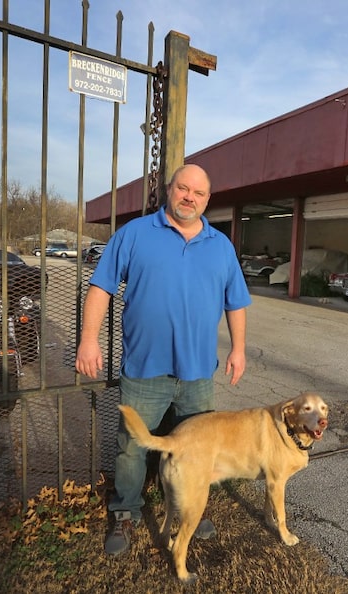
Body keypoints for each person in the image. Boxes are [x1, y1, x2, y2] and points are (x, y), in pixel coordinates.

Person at [75, 163, 252, 556]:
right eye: (183, 188)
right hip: (144, 368)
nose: (189, 197)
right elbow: (101, 287)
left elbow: (235, 302)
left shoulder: (220, 245)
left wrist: (238, 349)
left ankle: (191, 507)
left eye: (199, 193)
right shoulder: (135, 234)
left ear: (208, 199)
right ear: (169, 190)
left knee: (199, 450)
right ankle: (124, 511)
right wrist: (89, 340)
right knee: (132, 448)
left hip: (197, 374)